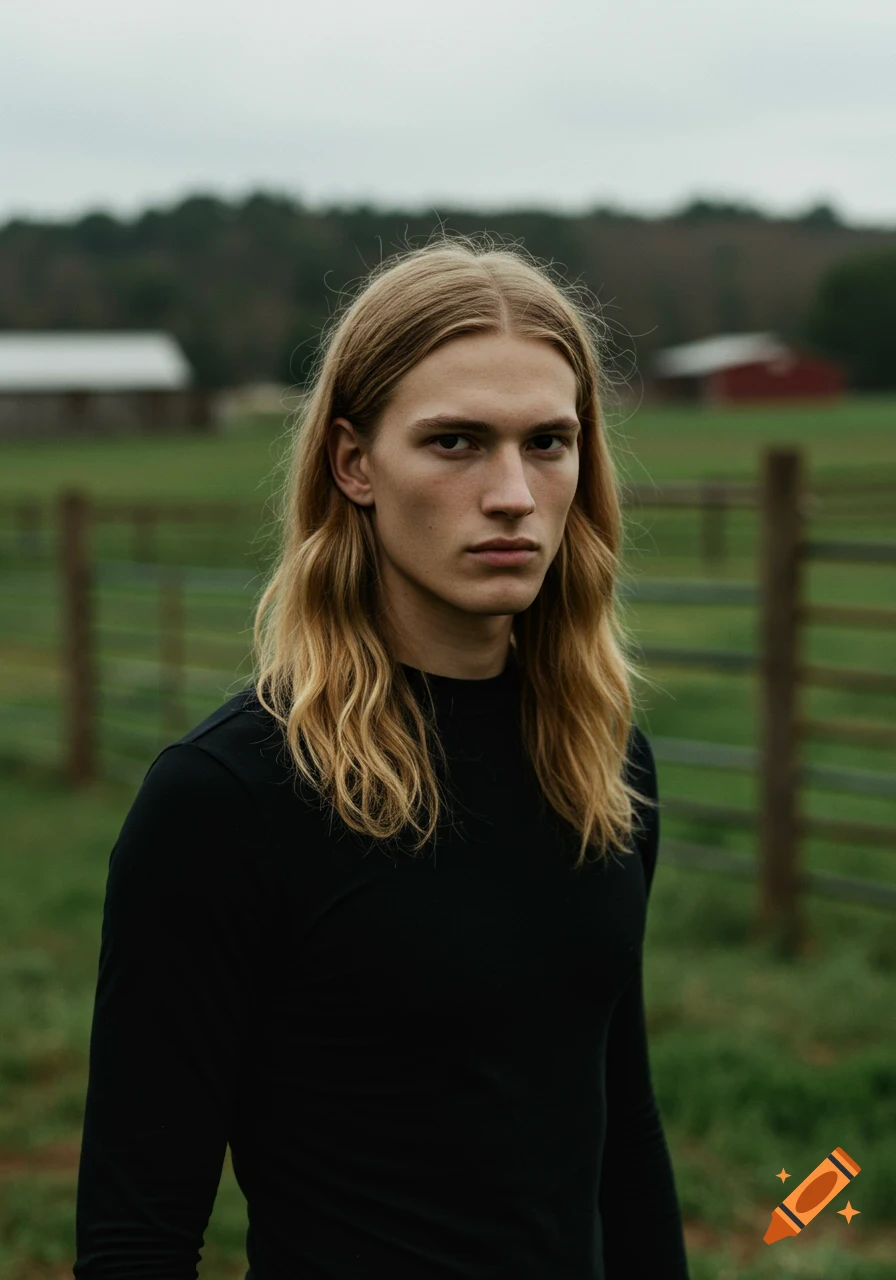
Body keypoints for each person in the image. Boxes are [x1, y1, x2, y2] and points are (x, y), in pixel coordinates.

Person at [73, 233, 691, 1279]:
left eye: (547, 442)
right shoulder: (228, 798)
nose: (512, 493)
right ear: (353, 463)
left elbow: (616, 1131)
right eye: (455, 443)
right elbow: (137, 1231)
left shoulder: (603, 760)